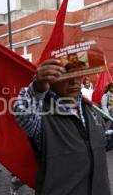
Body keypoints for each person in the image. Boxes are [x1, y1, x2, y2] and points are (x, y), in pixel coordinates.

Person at [13, 59, 112, 195]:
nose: (74, 81)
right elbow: (23, 114)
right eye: (65, 75)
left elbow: (100, 141)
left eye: (78, 74)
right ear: (50, 78)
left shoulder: (89, 109)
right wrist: (37, 87)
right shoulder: (41, 113)